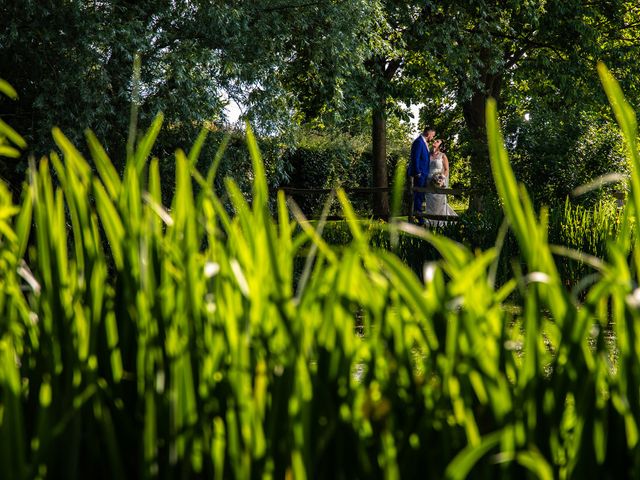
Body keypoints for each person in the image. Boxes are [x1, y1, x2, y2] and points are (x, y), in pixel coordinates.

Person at [425, 139, 457, 226]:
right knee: (430, 203)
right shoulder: (427, 155)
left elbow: (446, 170)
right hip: (428, 183)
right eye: (435, 140)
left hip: (439, 182)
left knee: (439, 203)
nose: (435, 141)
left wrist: (442, 178)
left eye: (438, 141)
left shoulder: (443, 156)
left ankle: (441, 223)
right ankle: (430, 223)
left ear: (440, 146)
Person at [408, 126, 435, 224]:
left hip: (424, 174)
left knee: (420, 196)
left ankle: (418, 217)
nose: (432, 138)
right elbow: (415, 158)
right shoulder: (419, 142)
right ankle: (419, 218)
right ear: (428, 133)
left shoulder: (424, 143)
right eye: (432, 135)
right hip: (419, 174)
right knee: (418, 196)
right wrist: (418, 173)